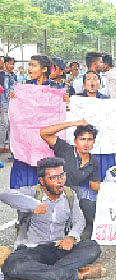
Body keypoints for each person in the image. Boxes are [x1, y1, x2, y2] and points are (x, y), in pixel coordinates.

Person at [1, 157, 105, 280]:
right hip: (32, 250)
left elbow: (79, 220)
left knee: (92, 247)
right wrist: (33, 205)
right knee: (13, 266)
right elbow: (4, 195)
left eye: (62, 176)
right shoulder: (33, 193)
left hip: (58, 247)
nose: (60, 181)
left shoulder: (69, 195)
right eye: (54, 178)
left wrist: (71, 237)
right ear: (42, 181)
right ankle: (80, 274)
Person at [9, 55, 67, 190]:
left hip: (46, 145)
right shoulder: (24, 89)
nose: (29, 68)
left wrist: (66, 101)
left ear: (44, 69)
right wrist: (14, 99)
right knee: (23, 182)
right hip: (27, 145)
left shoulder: (57, 89)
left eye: (33, 65)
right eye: (29, 65)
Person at [40, 120, 101, 239]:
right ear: (75, 141)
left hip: (71, 198)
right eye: (82, 139)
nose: (86, 143)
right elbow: (44, 133)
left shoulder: (93, 161)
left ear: (93, 142)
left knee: (88, 203)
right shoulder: (65, 149)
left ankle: (84, 231)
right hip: (53, 194)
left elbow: (94, 186)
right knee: (75, 191)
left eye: (89, 139)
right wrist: (73, 124)